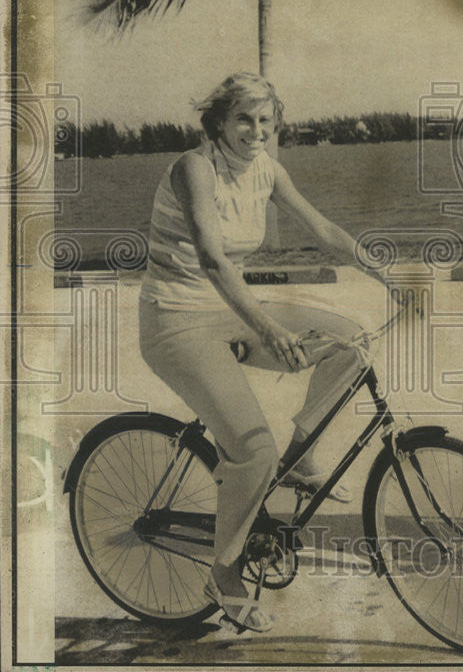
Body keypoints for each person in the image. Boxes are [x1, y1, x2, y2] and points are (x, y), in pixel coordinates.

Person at [139, 73, 392, 632]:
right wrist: (271, 330)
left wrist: (383, 270)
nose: (257, 131)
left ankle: (300, 455)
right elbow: (210, 257)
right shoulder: (194, 168)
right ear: (219, 123)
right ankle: (224, 573)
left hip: (230, 310)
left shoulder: (267, 170)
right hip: (176, 320)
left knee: (350, 344)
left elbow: (322, 226)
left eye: (267, 122)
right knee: (253, 450)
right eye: (245, 120)